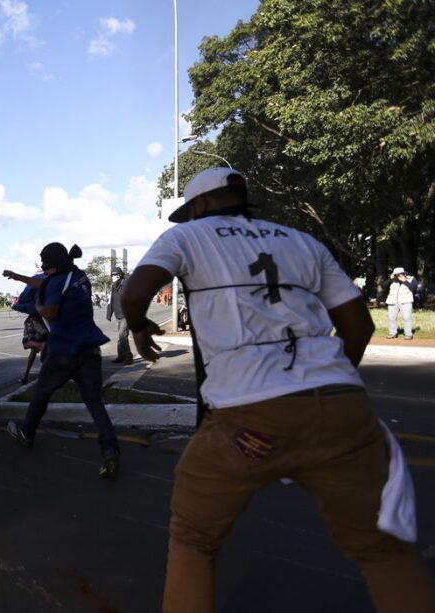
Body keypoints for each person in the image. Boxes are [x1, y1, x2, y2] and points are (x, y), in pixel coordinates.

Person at [120, 167, 435, 611]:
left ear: (202, 205)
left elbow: (135, 294)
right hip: (343, 409)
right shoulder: (302, 241)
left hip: (247, 416)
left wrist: (138, 326)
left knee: (194, 539)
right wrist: (324, 384)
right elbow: (359, 326)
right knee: (384, 551)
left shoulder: (186, 238)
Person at [3, 243, 121, 479]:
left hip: (64, 350)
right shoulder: (79, 277)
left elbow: (50, 311)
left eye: (45, 264)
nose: (43, 269)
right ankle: (110, 451)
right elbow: (45, 283)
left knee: (42, 393)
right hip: (90, 348)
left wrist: (36, 306)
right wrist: (18, 277)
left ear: (53, 265)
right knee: (94, 402)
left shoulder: (56, 283)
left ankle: (27, 433)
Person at [11, 272, 48, 383]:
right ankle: (30, 375)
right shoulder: (53, 283)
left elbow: (24, 299)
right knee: (42, 351)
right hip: (49, 319)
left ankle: (27, 375)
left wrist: (16, 306)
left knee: (29, 343)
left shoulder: (35, 285)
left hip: (36, 319)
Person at [105, 267, 133, 365]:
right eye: (111, 275)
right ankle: (121, 356)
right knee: (122, 336)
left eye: (114, 275)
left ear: (119, 276)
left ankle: (129, 356)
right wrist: (109, 314)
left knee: (122, 335)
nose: (112, 277)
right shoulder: (113, 286)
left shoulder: (126, 284)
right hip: (118, 315)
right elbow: (111, 300)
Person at [382, 266, 418, 340]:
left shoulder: (411, 279)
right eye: (396, 274)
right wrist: (390, 279)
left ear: (404, 273)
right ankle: (392, 333)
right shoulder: (392, 280)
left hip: (406, 301)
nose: (397, 276)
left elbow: (414, 288)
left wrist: (405, 281)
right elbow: (384, 286)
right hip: (392, 301)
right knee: (391, 318)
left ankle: (408, 334)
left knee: (407, 318)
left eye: (399, 274)